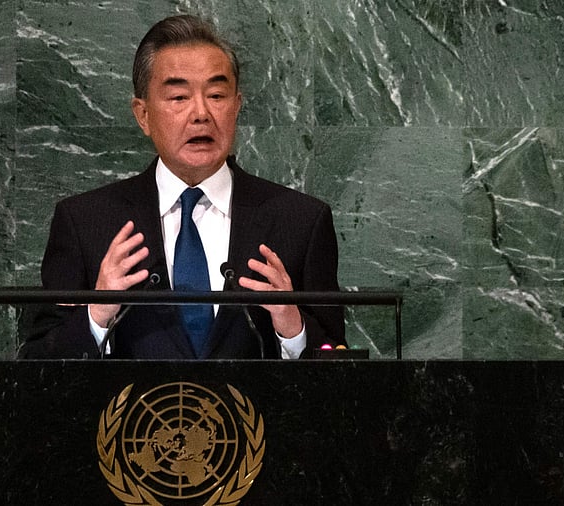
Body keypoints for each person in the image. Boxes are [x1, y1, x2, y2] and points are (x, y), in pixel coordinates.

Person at [18, 14, 344, 359]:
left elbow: (342, 366)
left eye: (217, 95)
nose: (201, 113)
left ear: (237, 106)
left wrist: (292, 327)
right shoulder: (86, 223)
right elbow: (36, 365)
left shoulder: (301, 222)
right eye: (178, 98)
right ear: (142, 115)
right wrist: (97, 313)